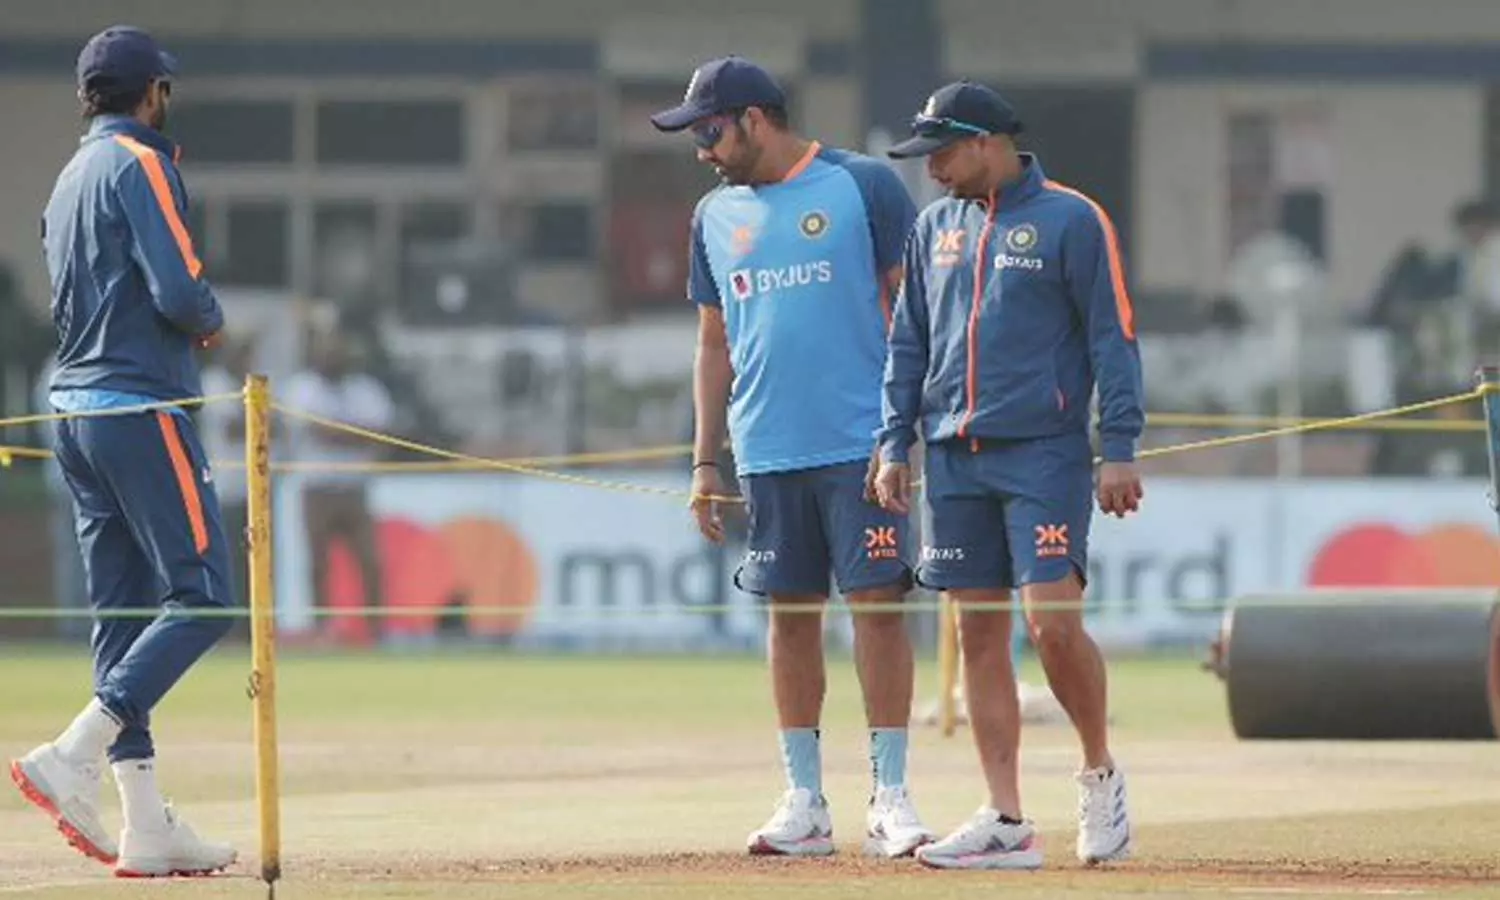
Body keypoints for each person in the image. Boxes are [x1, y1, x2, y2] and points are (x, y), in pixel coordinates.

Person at [650, 56, 935, 858]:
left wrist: (903, 431)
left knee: (877, 606)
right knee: (789, 615)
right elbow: (713, 344)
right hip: (768, 448)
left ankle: (891, 795)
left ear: (755, 119)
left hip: (862, 443)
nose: (702, 150)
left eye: (710, 132)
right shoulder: (712, 215)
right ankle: (804, 800)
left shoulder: (862, 185)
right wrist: (705, 463)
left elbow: (913, 311)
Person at [873, 81, 1144, 870]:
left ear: (985, 143)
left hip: (1044, 455)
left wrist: (1118, 445)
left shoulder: (1072, 218)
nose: (932, 170)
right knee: (977, 633)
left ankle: (1098, 773)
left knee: (1052, 625)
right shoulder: (933, 227)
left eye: (942, 154)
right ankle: (1006, 817)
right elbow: (908, 344)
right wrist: (893, 443)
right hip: (951, 456)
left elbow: (1113, 337)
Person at [9, 25, 238, 877]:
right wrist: (210, 320)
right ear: (152, 93)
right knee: (204, 598)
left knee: (122, 616)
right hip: (139, 402)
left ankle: (144, 825)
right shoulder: (142, 162)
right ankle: (73, 752)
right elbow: (178, 288)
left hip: (72, 410)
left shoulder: (70, 175)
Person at [283, 326, 394, 644]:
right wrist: (353, 433)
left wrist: (337, 431)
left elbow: (380, 434)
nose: (333, 357)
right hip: (317, 487)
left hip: (354, 488)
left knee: (370, 560)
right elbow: (318, 431)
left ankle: (376, 630)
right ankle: (323, 629)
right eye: (327, 351)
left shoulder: (366, 389)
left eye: (338, 352)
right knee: (318, 562)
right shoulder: (303, 387)